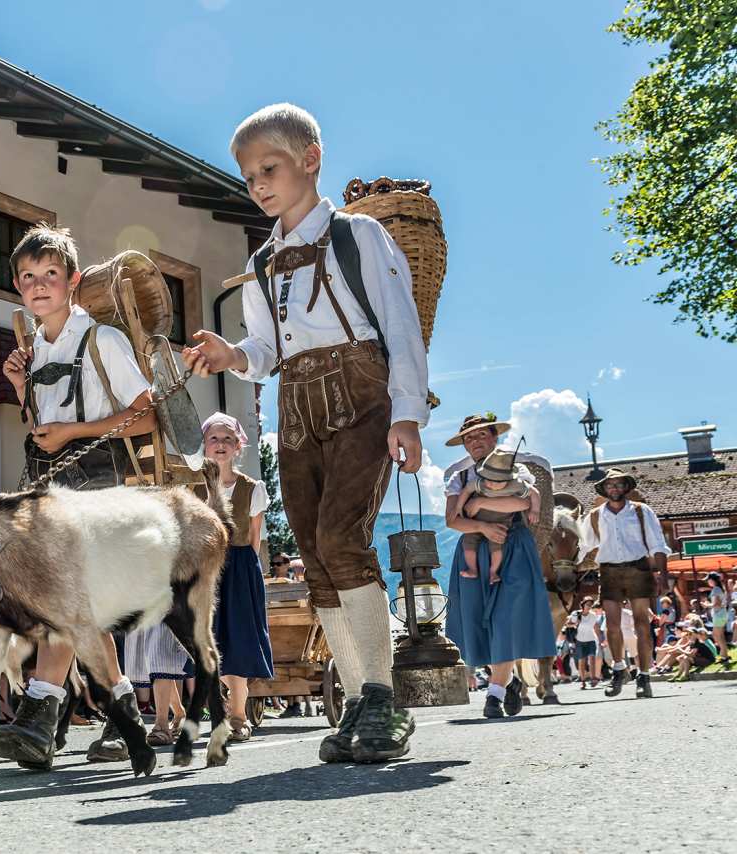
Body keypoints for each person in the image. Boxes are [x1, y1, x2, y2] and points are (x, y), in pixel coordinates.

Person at [182, 103, 427, 763]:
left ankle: (383, 698)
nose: (257, 183)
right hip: (295, 404)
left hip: (361, 391)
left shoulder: (357, 238)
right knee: (317, 556)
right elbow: (266, 350)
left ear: (311, 159)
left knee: (344, 538)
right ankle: (355, 699)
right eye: (248, 174)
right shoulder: (262, 263)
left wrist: (407, 412)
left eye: (270, 167)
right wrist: (233, 356)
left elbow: (399, 324)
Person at [0, 225, 159, 771]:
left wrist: (72, 433)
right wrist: (22, 390)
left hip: (97, 479)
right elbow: (43, 423)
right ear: (18, 286)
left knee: (63, 600)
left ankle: (39, 716)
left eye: (51, 276)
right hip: (47, 479)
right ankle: (126, 715)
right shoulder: (35, 349)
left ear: (73, 282)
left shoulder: (101, 339)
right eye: (28, 278)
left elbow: (144, 413)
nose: (39, 286)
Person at [442, 413, 557, 719]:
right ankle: (508, 681)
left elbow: (522, 504)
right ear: (464, 445)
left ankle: (493, 695)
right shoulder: (459, 476)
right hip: (473, 549)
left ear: (494, 438)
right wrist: (481, 527)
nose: (476, 442)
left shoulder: (515, 469)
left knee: (505, 618)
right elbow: (452, 520)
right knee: (480, 620)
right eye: (469, 438)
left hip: (514, 547)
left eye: (482, 436)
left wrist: (481, 506)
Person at [197, 412, 274, 742]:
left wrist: (244, 573)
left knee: (239, 642)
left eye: (228, 439)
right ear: (204, 445)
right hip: (204, 572)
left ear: (239, 447)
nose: (221, 445)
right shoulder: (193, 489)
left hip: (239, 568)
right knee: (205, 644)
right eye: (214, 438)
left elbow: (255, 539)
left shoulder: (252, 488)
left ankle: (239, 715)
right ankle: (209, 713)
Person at [577, 468, 669, 699]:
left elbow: (658, 543)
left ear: (626, 487)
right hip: (609, 571)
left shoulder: (641, 511)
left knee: (641, 624)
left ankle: (644, 676)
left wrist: (664, 575)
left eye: (618, 484)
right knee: (612, 625)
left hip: (638, 568)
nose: (614, 488)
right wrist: (565, 569)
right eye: (610, 485)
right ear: (604, 489)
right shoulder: (595, 515)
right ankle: (619, 669)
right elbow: (584, 546)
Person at [453, 447, 540, 584]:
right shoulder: (481, 484)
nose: (491, 484)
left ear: (507, 479)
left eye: (497, 481)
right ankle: (472, 569)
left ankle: (493, 571)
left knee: (496, 546)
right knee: (468, 543)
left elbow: (534, 493)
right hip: (476, 521)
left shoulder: (516, 485)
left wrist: (535, 510)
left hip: (501, 522)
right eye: (488, 479)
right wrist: (458, 506)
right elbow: (466, 490)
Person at [573, 598, 602, 688]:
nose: (589, 606)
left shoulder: (593, 615)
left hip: (591, 639)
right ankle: (583, 681)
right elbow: (568, 623)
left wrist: (599, 641)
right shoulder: (576, 614)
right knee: (582, 661)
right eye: (587, 604)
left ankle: (593, 678)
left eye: (591, 605)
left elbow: (592, 626)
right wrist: (575, 623)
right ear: (583, 605)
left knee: (592, 659)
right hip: (579, 640)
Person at [704, 572, 731, 667]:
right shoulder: (719, 588)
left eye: (708, 580)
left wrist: (706, 605)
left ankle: (724, 655)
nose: (707, 582)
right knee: (719, 635)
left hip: (719, 615)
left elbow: (716, 604)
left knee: (717, 635)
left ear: (712, 580)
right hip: (721, 614)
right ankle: (724, 655)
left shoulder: (716, 589)